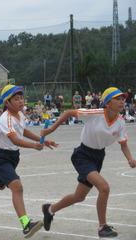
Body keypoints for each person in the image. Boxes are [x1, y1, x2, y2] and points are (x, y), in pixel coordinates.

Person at [40, 87, 136, 238]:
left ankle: (50, 210)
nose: (122, 101)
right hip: (83, 155)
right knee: (104, 187)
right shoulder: (95, 113)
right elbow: (68, 113)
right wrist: (51, 129)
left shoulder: (120, 122)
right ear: (108, 103)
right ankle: (102, 227)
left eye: (123, 98)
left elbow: (123, 144)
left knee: (79, 196)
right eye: (117, 98)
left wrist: (130, 159)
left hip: (98, 157)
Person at [0, 84, 58, 238]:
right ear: (7, 102)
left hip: (12, 157)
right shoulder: (6, 119)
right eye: (16, 99)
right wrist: (34, 146)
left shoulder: (20, 115)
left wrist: (43, 141)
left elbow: (24, 131)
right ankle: (26, 224)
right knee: (17, 186)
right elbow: (15, 139)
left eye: (21, 98)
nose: (21, 101)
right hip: (1, 158)